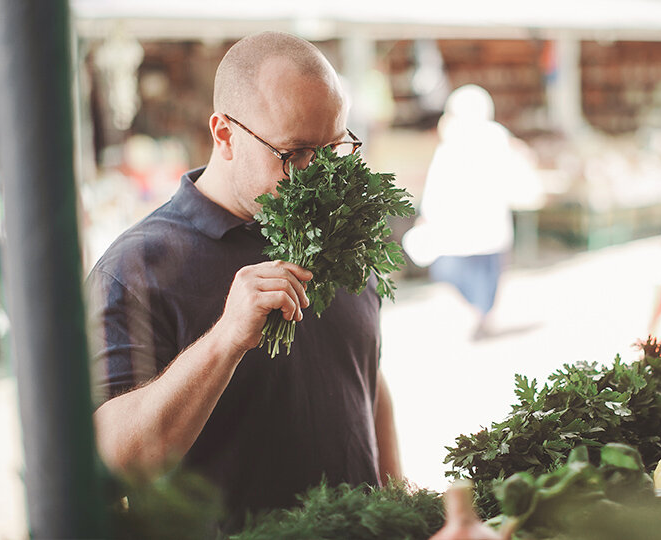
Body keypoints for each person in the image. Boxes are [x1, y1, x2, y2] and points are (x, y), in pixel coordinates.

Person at [86, 31, 402, 532]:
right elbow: (112, 465)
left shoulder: (340, 231)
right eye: (294, 152)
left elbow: (366, 377)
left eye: (333, 148)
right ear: (224, 134)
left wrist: (399, 505)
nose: (318, 178)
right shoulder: (135, 269)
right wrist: (225, 340)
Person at [402, 84, 543, 340]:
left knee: (461, 276)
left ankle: (477, 319)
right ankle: (481, 318)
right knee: (482, 279)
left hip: (462, 229)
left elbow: (438, 185)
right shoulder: (497, 138)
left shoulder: (457, 139)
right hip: (487, 229)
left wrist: (428, 214)